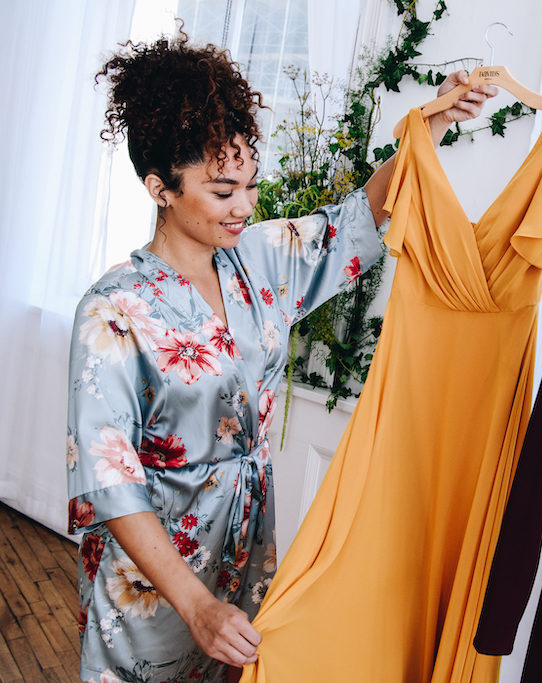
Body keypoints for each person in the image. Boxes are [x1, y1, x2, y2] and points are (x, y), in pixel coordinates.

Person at [66, 27, 495, 683]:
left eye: (249, 183)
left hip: (243, 561)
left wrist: (426, 126)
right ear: (160, 188)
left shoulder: (261, 259)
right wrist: (196, 605)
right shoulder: (112, 313)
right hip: (156, 588)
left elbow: (357, 220)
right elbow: (110, 483)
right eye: (221, 190)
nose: (245, 206)